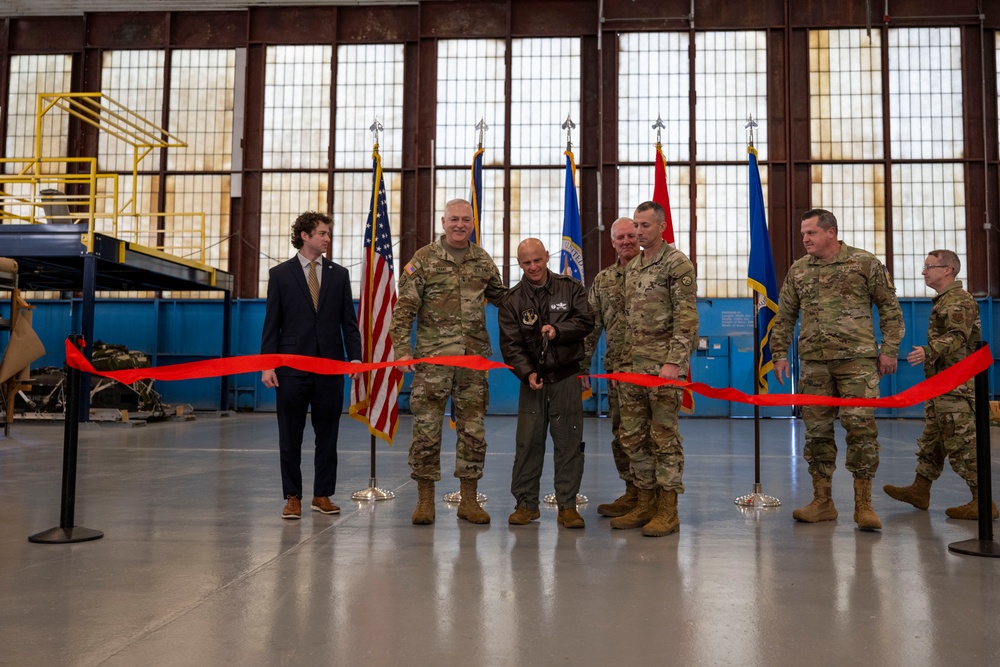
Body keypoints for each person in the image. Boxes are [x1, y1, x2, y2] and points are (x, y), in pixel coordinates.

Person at [771, 208, 904, 531]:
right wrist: (779, 353)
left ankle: (864, 505)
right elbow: (785, 314)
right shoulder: (799, 270)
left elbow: (889, 308)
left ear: (831, 232)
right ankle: (822, 502)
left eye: (811, 233)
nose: (805, 239)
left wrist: (889, 350)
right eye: (803, 234)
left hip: (856, 362)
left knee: (861, 430)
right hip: (814, 364)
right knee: (816, 434)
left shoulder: (863, 263)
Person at [390, 198, 507, 525]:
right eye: (454, 219)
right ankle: (424, 500)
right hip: (432, 363)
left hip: (472, 364)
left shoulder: (482, 260)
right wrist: (402, 350)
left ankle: (468, 500)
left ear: (472, 223)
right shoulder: (424, 260)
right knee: (426, 430)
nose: (459, 225)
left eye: (465, 220)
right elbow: (404, 311)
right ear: (443, 222)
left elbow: (503, 299)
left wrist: (542, 294)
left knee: (473, 430)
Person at [260, 211, 363, 520]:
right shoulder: (280, 274)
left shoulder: (339, 274)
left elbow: (349, 322)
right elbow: (272, 325)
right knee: (289, 435)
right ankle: (293, 497)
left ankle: (322, 495)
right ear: (304, 236)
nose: (327, 238)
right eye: (321, 233)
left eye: (328, 234)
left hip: (330, 367)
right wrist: (268, 365)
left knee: (327, 435)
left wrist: (354, 357)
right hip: (290, 368)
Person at [883, 250, 998, 520]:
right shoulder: (945, 300)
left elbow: (959, 335)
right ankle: (920, 490)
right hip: (941, 384)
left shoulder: (958, 299)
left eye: (929, 267)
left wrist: (929, 350)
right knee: (933, 441)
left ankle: (982, 502)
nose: (924, 272)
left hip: (956, 385)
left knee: (961, 443)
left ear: (948, 270)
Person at [611, 201, 698, 537]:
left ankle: (667, 509)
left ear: (662, 226)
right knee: (633, 437)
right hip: (632, 367)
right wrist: (621, 367)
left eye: (645, 225)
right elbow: (626, 323)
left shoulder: (676, 263)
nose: (638, 231)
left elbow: (687, 317)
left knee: (663, 438)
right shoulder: (633, 268)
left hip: (663, 368)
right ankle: (644, 502)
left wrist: (675, 361)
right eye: (636, 225)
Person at [499, 238, 594, 529]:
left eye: (537, 260)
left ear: (547, 257)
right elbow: (511, 345)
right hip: (533, 382)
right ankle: (526, 504)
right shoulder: (512, 300)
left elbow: (586, 320)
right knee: (528, 443)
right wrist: (526, 372)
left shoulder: (570, 288)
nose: (533, 267)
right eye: (526, 263)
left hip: (565, 377)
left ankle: (567, 505)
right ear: (519, 264)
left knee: (568, 442)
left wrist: (559, 330)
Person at [581, 217, 641, 517]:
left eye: (632, 235)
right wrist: (582, 366)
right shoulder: (604, 280)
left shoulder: (657, 272)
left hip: (651, 373)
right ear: (612, 242)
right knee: (623, 436)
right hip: (617, 374)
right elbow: (591, 327)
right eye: (621, 237)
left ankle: (655, 499)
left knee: (656, 436)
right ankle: (633, 493)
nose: (627, 241)